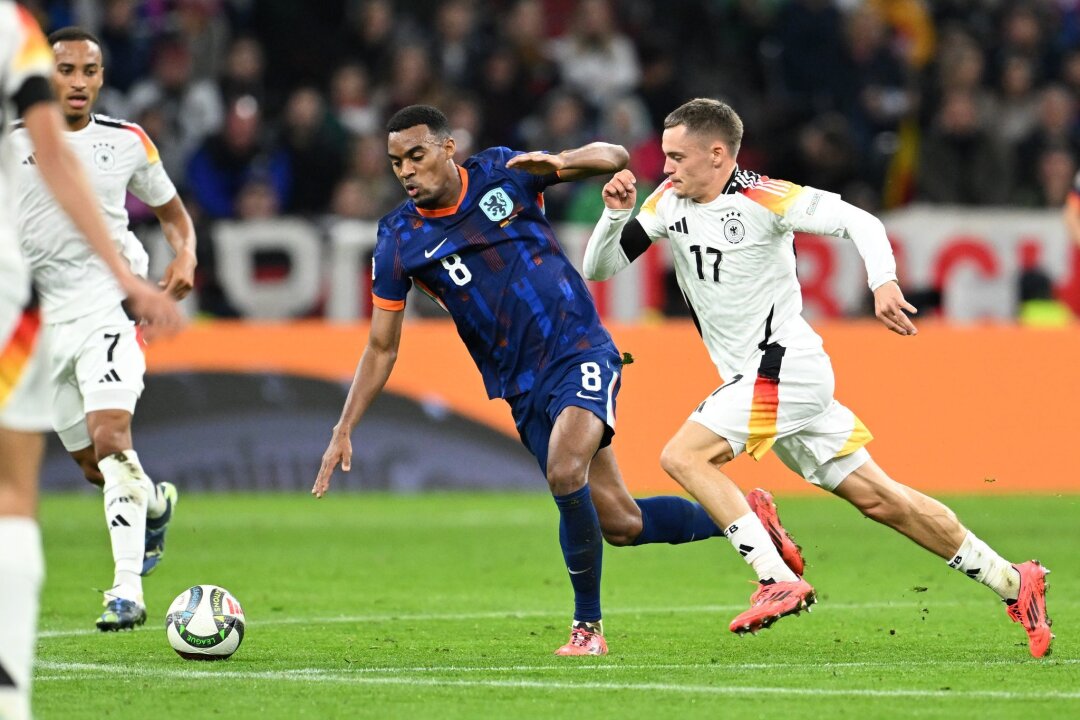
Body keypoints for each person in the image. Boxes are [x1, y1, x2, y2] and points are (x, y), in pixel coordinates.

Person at [311, 104, 804, 657]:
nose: (405, 170)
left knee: (564, 469)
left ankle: (588, 630)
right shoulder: (398, 238)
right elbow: (382, 346)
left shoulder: (504, 173)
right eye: (396, 161)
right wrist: (343, 427)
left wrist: (568, 162)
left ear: (448, 149)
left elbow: (612, 155)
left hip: (579, 349)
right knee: (620, 520)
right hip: (520, 386)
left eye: (416, 155)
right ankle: (748, 520)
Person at [583, 97, 1053, 658]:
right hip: (762, 381)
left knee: (684, 456)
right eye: (664, 156)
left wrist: (883, 281)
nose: (665, 168)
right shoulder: (666, 202)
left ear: (717, 154)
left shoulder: (765, 196)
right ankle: (1013, 580)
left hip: (783, 369)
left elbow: (862, 220)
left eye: (677, 157)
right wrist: (615, 216)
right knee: (884, 502)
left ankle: (772, 575)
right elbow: (600, 268)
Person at [0, 6, 181, 719]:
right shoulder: (14, 143)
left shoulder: (128, 143)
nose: (77, 83)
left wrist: (183, 256)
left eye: (89, 71)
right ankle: (156, 503)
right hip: (36, 324)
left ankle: (126, 589)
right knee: (89, 465)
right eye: (65, 71)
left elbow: (171, 213)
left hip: (108, 306)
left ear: (104, 78)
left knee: (111, 441)